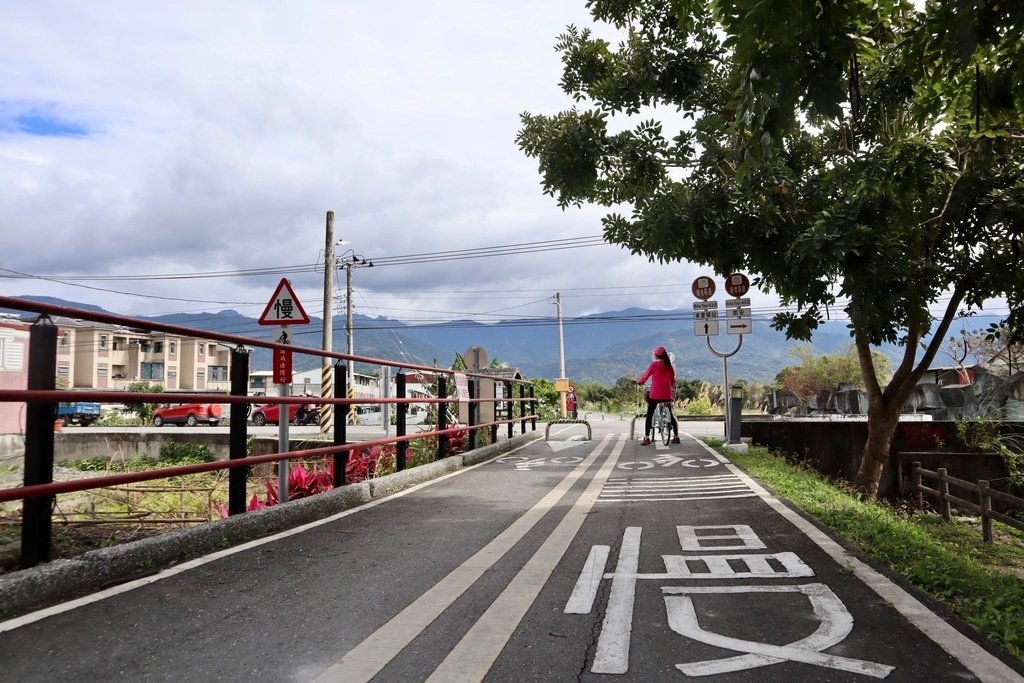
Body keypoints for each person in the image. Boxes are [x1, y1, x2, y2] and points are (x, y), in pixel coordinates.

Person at [637, 346, 680, 445]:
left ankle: (647, 437)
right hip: (667, 395)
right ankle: (676, 437)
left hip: (655, 395)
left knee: (650, 415)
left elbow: (645, 376)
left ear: (656, 355)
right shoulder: (669, 366)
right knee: (671, 415)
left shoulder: (654, 365)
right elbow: (672, 381)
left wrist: (640, 382)